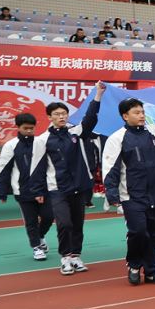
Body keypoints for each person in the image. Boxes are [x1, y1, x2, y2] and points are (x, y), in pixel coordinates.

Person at [102, 84, 155, 285]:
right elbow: (110, 168)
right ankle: (133, 264)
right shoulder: (117, 139)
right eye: (136, 112)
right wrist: (112, 194)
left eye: (142, 111)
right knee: (138, 232)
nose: (141, 115)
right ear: (125, 116)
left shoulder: (154, 132)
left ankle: (152, 270)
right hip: (132, 196)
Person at [29, 82, 103, 275]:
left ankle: (76, 256)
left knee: (78, 224)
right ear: (49, 117)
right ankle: (65, 258)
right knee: (64, 223)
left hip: (79, 186)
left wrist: (98, 95)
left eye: (64, 114)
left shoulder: (75, 132)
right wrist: (37, 191)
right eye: (57, 114)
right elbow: (36, 168)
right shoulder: (42, 140)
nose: (61, 117)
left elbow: (90, 120)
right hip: (57, 189)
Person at [0, 113, 53, 260]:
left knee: (49, 216)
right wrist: (2, 192)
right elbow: (3, 169)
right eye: (25, 128)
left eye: (32, 128)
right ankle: (36, 247)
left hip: (43, 189)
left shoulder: (41, 142)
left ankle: (40, 236)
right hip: (22, 191)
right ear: (18, 127)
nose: (29, 131)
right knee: (31, 221)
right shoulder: (10, 145)